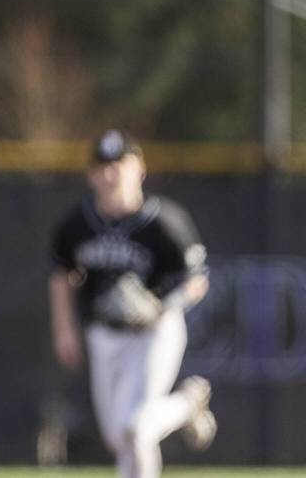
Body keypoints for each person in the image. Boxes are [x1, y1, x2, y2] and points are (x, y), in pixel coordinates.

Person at [48, 130, 217, 478]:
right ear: (91, 174)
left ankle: (187, 404)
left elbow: (197, 279)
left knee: (136, 428)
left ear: (139, 168)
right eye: (102, 166)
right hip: (104, 334)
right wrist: (64, 329)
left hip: (155, 331)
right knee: (118, 438)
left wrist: (163, 304)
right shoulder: (76, 224)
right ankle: (187, 404)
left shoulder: (164, 221)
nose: (111, 174)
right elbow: (61, 275)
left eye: (119, 164)